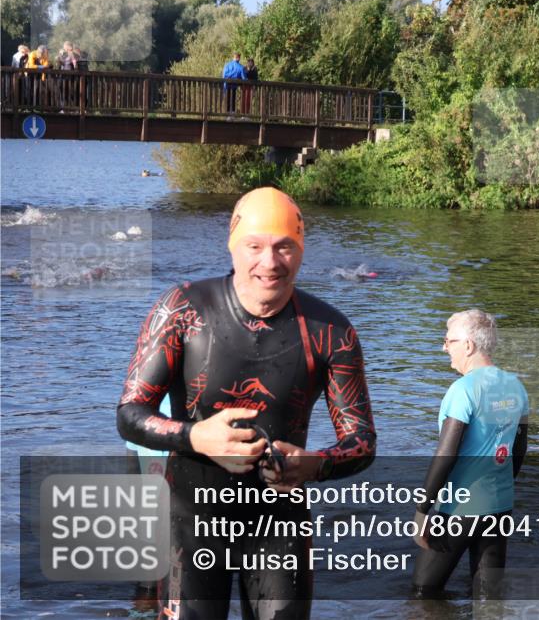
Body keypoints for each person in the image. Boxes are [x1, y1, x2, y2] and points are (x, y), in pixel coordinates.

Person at [117, 186, 377, 619]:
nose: (269, 263)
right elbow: (130, 414)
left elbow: (362, 441)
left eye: (284, 247)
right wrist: (196, 435)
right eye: (254, 246)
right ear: (233, 245)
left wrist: (314, 464)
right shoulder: (182, 309)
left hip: (280, 523)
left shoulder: (331, 330)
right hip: (191, 519)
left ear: (302, 249)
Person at [412, 309, 529, 599]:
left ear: (468, 345)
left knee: (422, 593)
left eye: (448, 340)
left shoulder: (462, 390)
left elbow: (446, 454)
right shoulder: (516, 386)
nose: (444, 347)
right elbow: (519, 449)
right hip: (500, 504)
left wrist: (422, 510)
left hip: (460, 508)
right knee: (488, 597)